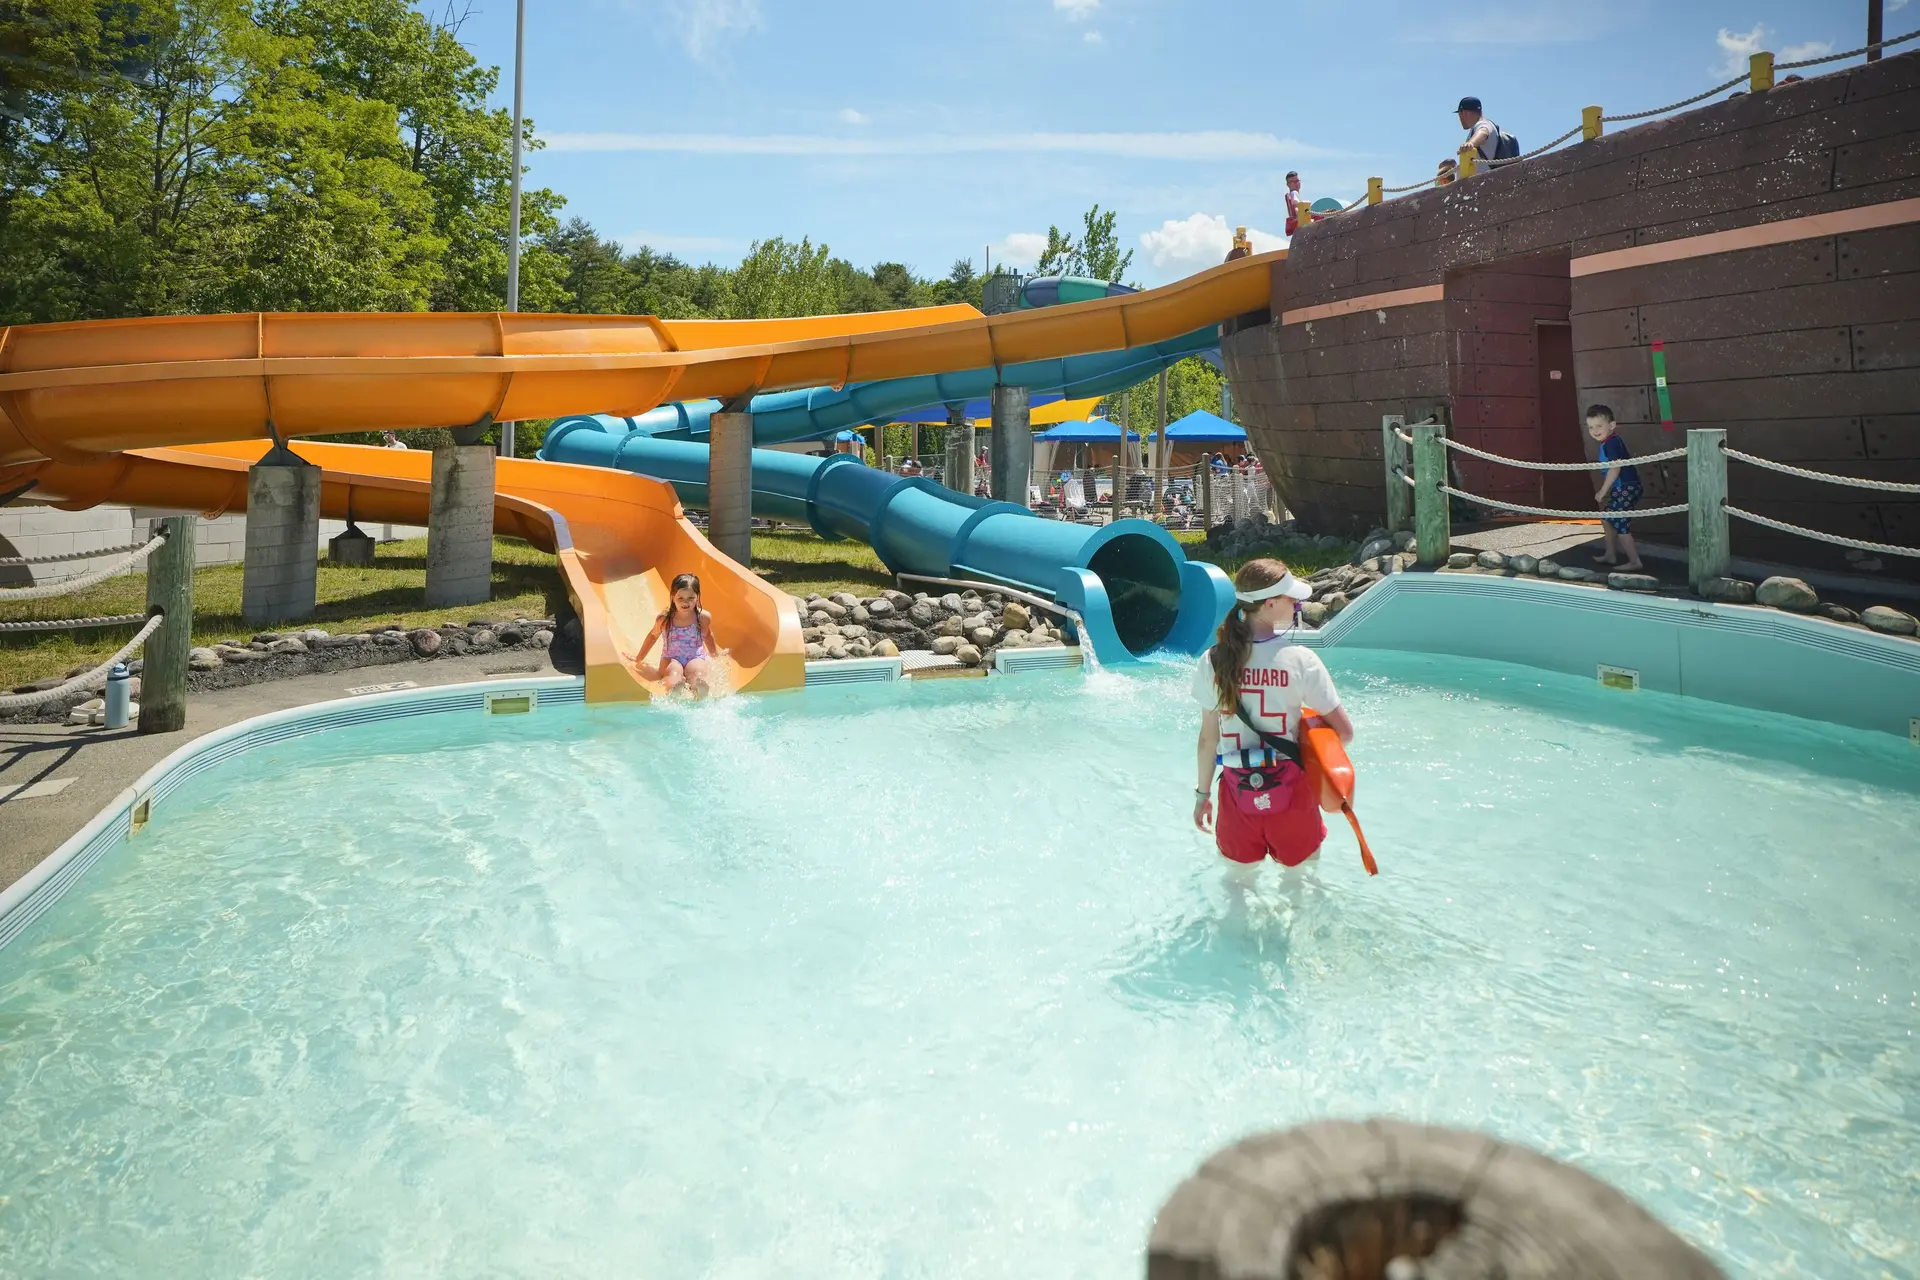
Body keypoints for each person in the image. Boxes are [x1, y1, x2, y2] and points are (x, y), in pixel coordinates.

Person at [1191, 559, 1356, 872]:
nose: (1297, 604)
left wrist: (1202, 795)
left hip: (1236, 794)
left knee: (1237, 884)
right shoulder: (1301, 660)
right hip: (1292, 795)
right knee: (1301, 883)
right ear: (1269, 604)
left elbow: (1207, 740)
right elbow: (1344, 734)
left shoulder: (1213, 660)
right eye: (1291, 598)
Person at [633, 572, 723, 695]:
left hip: (695, 656)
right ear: (672, 597)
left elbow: (707, 635)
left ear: (697, 597)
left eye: (691, 598)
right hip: (671, 657)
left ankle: (698, 689)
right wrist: (639, 658)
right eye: (680, 598)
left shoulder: (703, 617)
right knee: (673, 673)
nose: (685, 603)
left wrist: (715, 655)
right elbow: (653, 636)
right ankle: (674, 688)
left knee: (698, 673)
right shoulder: (665, 619)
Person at [1586, 404, 1645, 572]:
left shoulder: (1611, 443)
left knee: (1620, 522)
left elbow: (1615, 468)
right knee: (1606, 518)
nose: (1595, 431)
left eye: (1599, 426)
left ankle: (1634, 561)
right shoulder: (1608, 442)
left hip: (1626, 487)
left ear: (1611, 425)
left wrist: (1602, 491)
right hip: (1624, 487)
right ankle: (1610, 554)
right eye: (1590, 427)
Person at [1456, 97, 1501, 165]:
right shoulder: (1478, 127)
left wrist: (1470, 143)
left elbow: (1483, 132)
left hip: (1487, 172)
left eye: (1459, 114)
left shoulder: (1483, 123)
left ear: (1463, 113)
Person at [1283, 171, 1323, 237]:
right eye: (1293, 182)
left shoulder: (1293, 195)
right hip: (1303, 222)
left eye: (1297, 181)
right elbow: (1297, 210)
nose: (1296, 183)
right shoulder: (1294, 193)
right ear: (1288, 184)